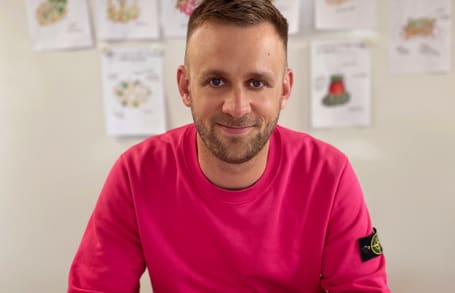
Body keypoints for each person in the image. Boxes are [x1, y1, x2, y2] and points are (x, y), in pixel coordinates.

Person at [68, 0, 391, 292]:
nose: (237, 108)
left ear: (285, 89)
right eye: (216, 81)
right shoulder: (138, 173)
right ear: (185, 86)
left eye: (256, 83)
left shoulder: (328, 173)